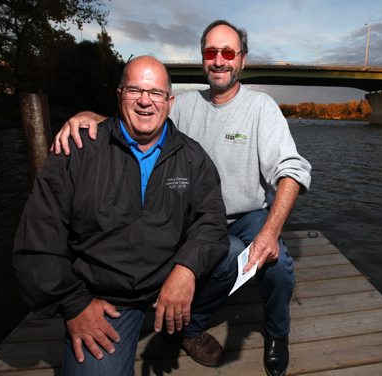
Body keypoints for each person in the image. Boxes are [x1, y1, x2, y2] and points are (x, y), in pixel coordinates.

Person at [53, 20, 311, 376]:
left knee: (277, 263)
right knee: (202, 256)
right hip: (197, 216)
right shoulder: (185, 105)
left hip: (246, 214)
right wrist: (90, 118)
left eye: (228, 52)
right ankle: (185, 324)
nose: (219, 60)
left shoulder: (261, 107)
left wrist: (268, 232)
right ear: (202, 59)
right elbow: (141, 117)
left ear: (242, 60)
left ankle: (276, 334)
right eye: (211, 52)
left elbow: (291, 171)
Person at [13, 55, 231, 376]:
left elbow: (211, 221)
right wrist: (75, 305)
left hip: (166, 278)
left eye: (156, 93)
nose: (145, 101)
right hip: (106, 297)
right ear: (119, 95)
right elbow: (38, 238)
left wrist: (185, 271)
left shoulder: (192, 157)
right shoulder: (78, 150)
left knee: (234, 257)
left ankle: (185, 326)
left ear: (170, 101)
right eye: (134, 90)